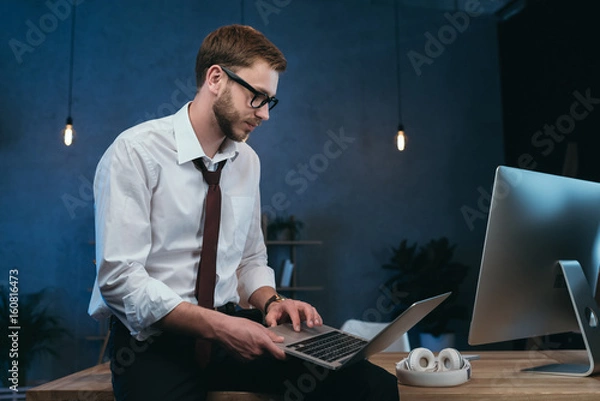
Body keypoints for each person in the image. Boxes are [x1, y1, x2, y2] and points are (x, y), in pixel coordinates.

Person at [88, 24, 399, 401]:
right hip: (152, 344)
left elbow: (249, 259)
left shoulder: (246, 160)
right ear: (216, 78)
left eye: (271, 101)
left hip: (232, 329)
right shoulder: (134, 153)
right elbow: (120, 281)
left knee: (370, 385)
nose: (265, 114)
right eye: (257, 97)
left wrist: (273, 302)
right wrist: (221, 327)